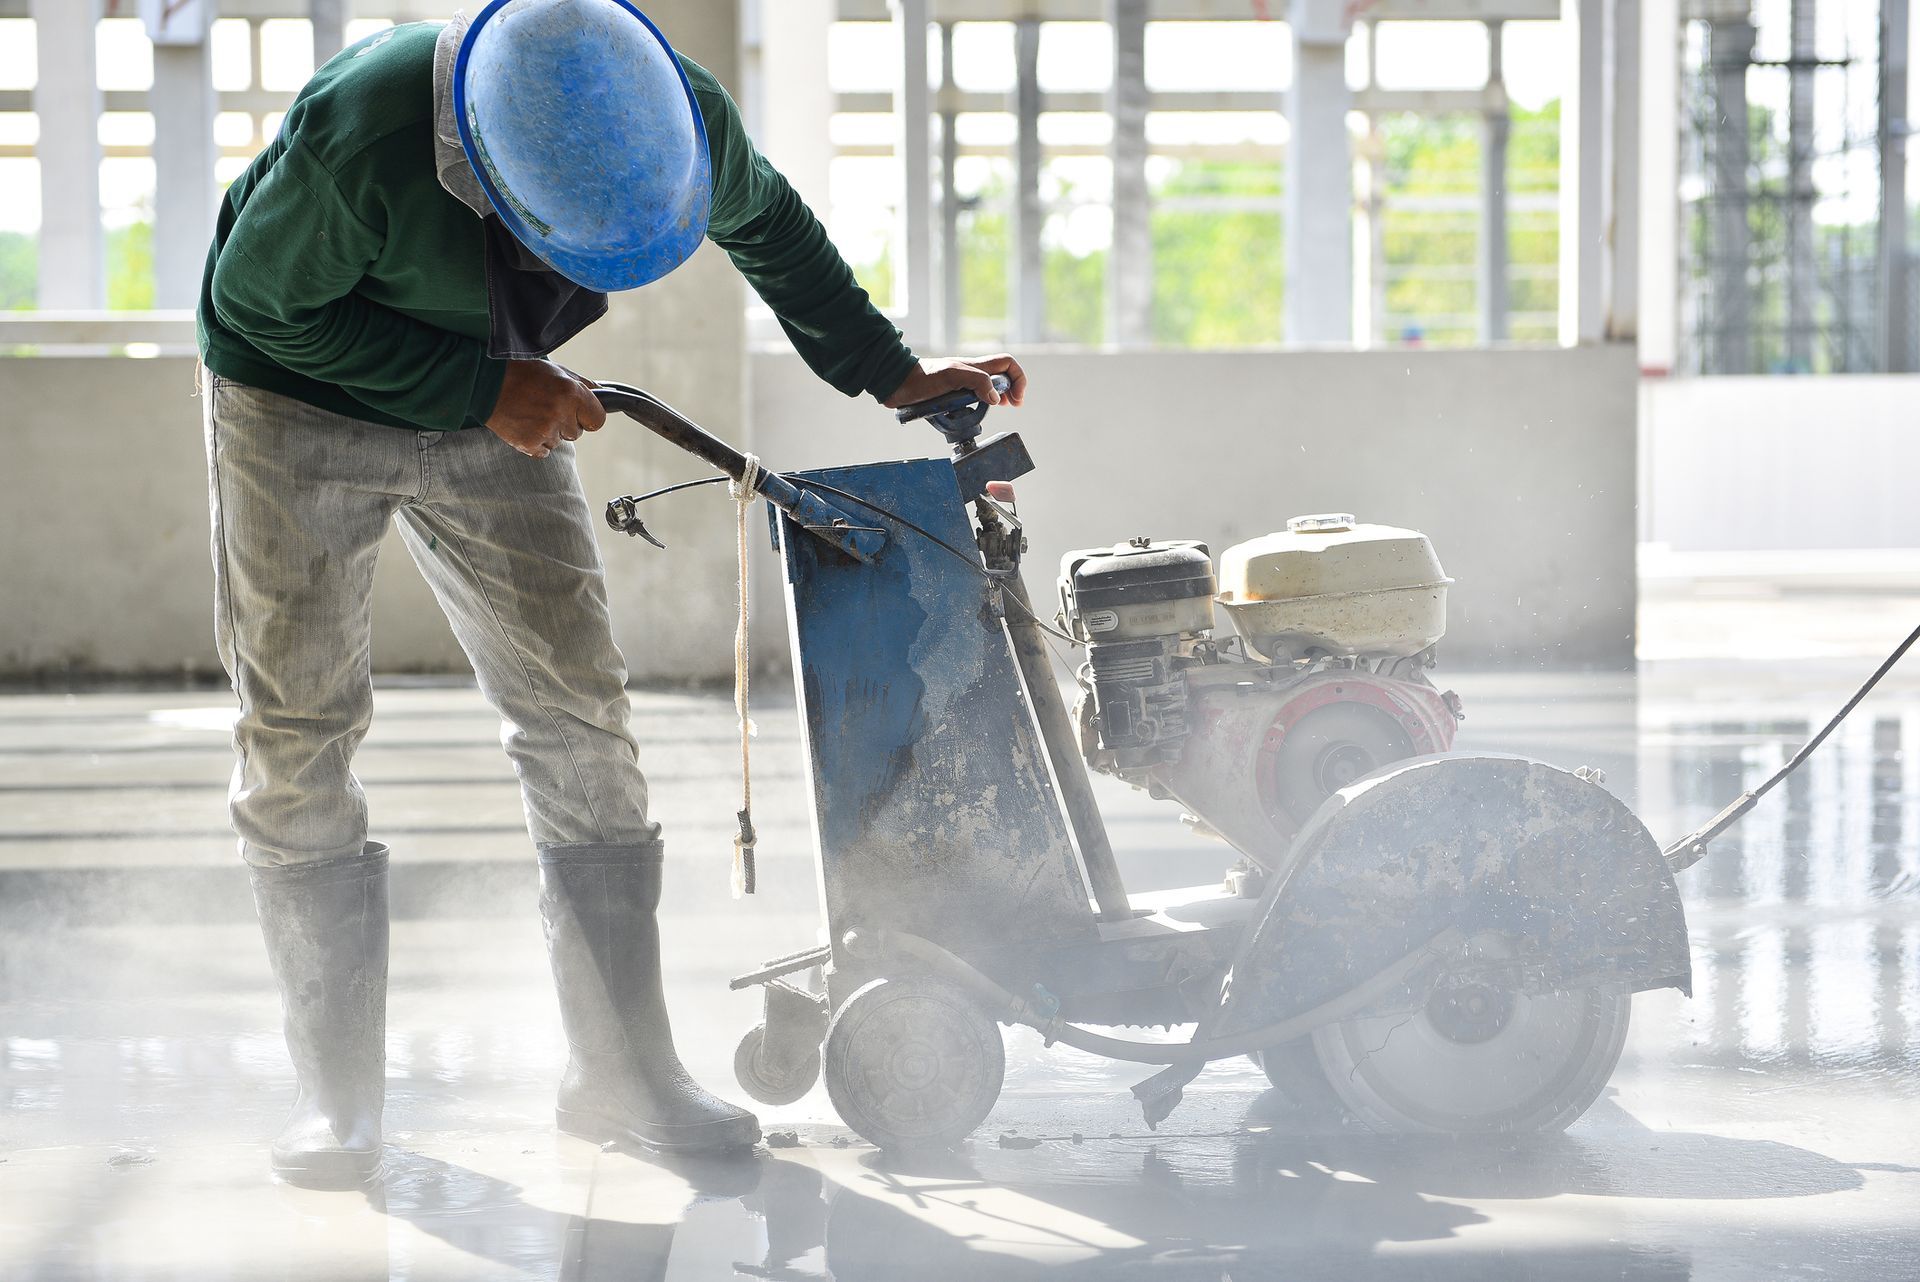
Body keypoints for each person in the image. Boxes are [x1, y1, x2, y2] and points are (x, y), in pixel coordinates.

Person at [196, 0, 1026, 1188]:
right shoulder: (367, 135)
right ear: (485, 172)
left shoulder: (668, 111)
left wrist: (893, 371)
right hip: (298, 403)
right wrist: (481, 389)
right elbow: (256, 306)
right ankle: (337, 1096)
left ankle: (617, 1073)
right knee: (300, 726)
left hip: (497, 398)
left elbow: (773, 229)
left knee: (580, 713)